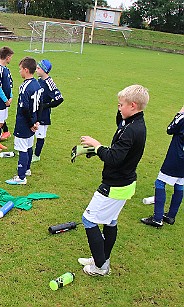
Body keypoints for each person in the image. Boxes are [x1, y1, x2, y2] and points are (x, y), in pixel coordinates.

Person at [77, 85, 149, 276]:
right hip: (124, 184)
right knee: (110, 221)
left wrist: (97, 145)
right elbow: (118, 152)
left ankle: (100, 266)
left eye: (121, 105)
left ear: (133, 105)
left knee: (88, 220)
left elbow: (114, 158)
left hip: (115, 186)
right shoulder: (132, 123)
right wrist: (96, 152)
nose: (118, 108)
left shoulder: (133, 130)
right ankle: (102, 257)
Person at [141, 108, 184, 227]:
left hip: (176, 157)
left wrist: (180, 114)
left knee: (160, 183)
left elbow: (170, 129)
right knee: (180, 183)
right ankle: (171, 216)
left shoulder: (182, 118)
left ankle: (157, 218)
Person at [5, 57, 42, 185]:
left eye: (20, 69)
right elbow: (40, 105)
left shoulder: (24, 87)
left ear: (26, 70)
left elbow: (25, 107)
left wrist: (31, 123)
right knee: (29, 146)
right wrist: (36, 122)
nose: (19, 72)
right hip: (33, 122)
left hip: (24, 123)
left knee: (22, 149)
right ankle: (27, 170)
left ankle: (21, 177)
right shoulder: (37, 84)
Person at [32, 59, 64, 162]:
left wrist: (45, 106)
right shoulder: (39, 80)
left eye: (38, 68)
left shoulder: (49, 83)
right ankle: (27, 149)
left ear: (44, 70)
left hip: (43, 114)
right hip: (35, 111)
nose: (36, 70)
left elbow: (59, 99)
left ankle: (36, 155)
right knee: (31, 130)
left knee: (40, 135)